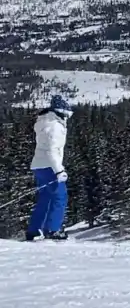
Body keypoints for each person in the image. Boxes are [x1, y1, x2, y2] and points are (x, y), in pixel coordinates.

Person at [27, 95, 72, 242]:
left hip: (39, 166)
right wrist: (59, 170)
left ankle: (34, 230)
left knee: (45, 198)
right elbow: (52, 150)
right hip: (50, 166)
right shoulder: (55, 126)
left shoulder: (45, 123)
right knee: (60, 197)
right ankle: (53, 229)